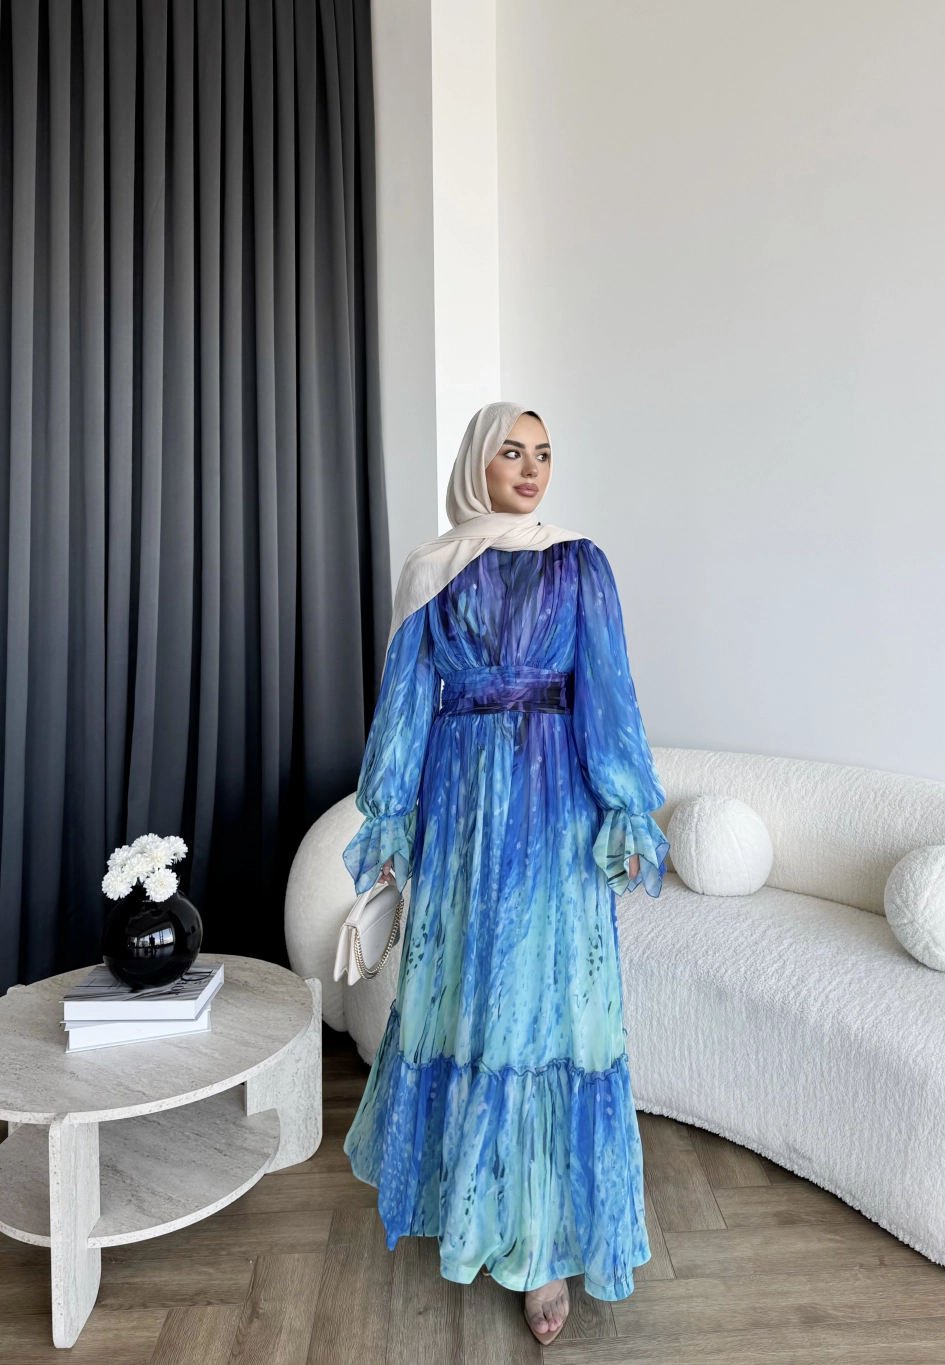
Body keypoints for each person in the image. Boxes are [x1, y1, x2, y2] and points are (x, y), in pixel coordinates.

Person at [342, 402, 669, 1344]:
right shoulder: (432, 568)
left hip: (553, 814)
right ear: (476, 465)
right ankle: (479, 1206)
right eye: (511, 453)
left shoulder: (578, 562)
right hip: (460, 817)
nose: (531, 469)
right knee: (471, 1006)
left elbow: (606, 689)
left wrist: (624, 803)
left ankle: (545, 1249)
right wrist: (391, 814)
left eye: (544, 454)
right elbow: (407, 700)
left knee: (548, 1013)